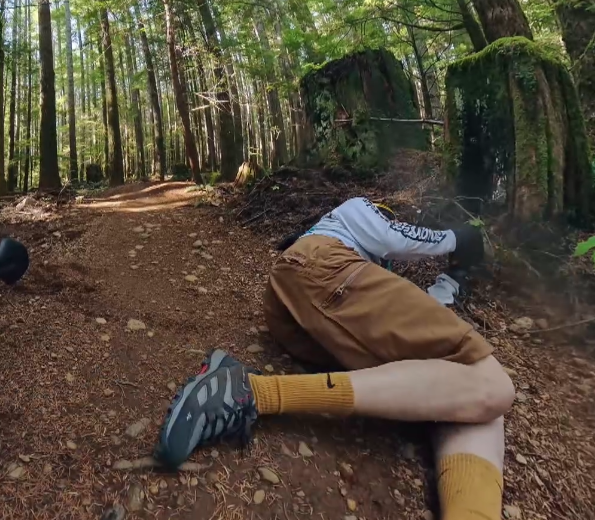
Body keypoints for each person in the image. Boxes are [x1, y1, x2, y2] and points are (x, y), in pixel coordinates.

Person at [156, 197, 512, 520]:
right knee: (493, 384)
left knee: (471, 400)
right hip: (323, 269)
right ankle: (256, 392)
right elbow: (394, 239)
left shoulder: (363, 275)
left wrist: (448, 283)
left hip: (313, 305)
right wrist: (456, 239)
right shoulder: (356, 209)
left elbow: (429, 335)